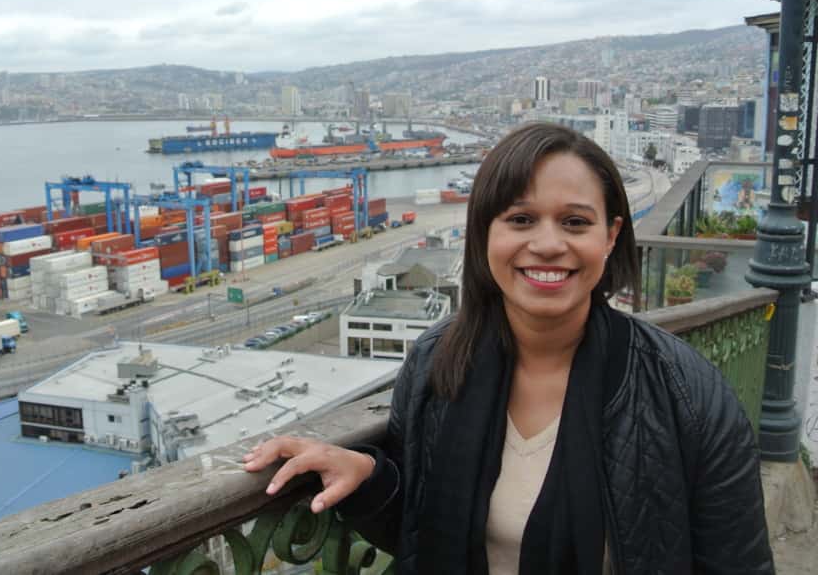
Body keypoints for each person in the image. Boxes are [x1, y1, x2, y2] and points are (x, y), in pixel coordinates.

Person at [244, 122, 773, 574]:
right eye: (520, 219)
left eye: (575, 222)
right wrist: (368, 478)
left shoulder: (686, 393)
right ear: (484, 234)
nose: (546, 243)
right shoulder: (434, 364)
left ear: (610, 237)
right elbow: (428, 532)